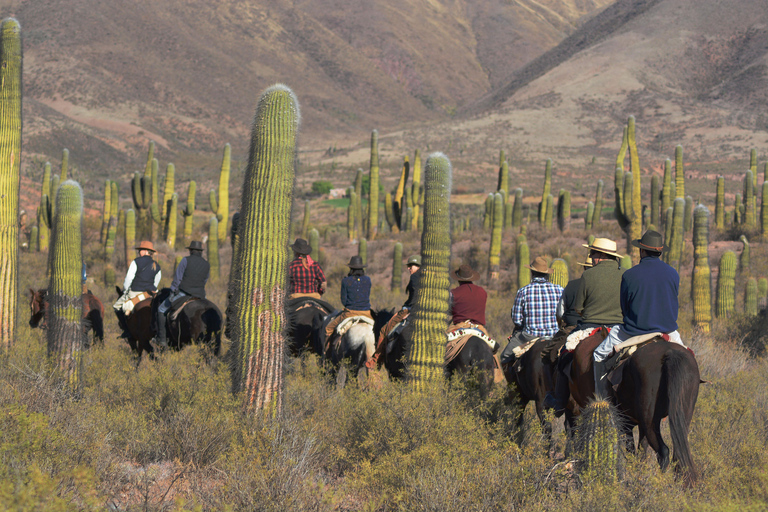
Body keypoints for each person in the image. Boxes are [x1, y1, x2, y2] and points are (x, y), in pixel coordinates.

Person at [593, 230, 684, 397]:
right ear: (660, 252)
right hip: (667, 330)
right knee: (688, 358)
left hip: (633, 331)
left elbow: (624, 308)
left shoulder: (629, 275)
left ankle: (600, 399)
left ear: (642, 250)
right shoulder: (673, 274)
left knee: (598, 355)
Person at [500, 256, 564, 365]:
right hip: (554, 335)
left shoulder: (523, 291)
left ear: (532, 273)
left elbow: (517, 320)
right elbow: (563, 314)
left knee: (505, 356)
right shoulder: (559, 289)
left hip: (529, 335)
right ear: (546, 274)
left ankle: (512, 382)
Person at [366, 254, 421, 368]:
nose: (409, 268)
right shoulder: (429, 277)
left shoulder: (415, 277)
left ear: (418, 266)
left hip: (412, 309)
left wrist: (411, 311)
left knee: (384, 329)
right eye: (409, 266)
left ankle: (376, 359)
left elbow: (416, 295)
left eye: (411, 266)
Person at [156, 241, 210, 349]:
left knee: (161, 310)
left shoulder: (185, 260)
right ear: (200, 252)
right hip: (200, 296)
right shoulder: (207, 264)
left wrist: (173, 291)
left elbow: (177, 279)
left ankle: (161, 339)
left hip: (184, 293)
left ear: (190, 250)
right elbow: (205, 280)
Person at [573, 238, 625, 330]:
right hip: (618, 328)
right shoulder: (625, 274)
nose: (590, 256)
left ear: (603, 255)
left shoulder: (587, 274)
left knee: (568, 343)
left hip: (589, 326)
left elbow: (578, 308)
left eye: (592, 253)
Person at [113, 241, 161, 339]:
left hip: (135, 291)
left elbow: (128, 279)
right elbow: (156, 282)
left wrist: (126, 290)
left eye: (141, 250)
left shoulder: (136, 262)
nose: (139, 252)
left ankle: (126, 331)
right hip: (150, 294)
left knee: (116, 306)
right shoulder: (157, 265)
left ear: (146, 251)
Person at [323, 256, 373, 349]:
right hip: (367, 313)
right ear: (362, 268)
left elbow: (343, 299)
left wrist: (350, 305)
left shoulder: (346, 281)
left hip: (349, 313)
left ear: (351, 268)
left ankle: (326, 354)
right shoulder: (367, 280)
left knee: (328, 328)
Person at [556, 256, 593, 332]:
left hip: (571, 327)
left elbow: (560, 312)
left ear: (584, 268)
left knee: (552, 343)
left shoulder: (570, 285)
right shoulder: (599, 286)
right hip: (592, 327)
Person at [448, 264, 488, 333]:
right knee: (492, 343)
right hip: (479, 328)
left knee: (441, 341)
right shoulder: (482, 291)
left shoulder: (454, 293)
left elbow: (449, 310)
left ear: (458, 279)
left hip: (459, 326)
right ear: (472, 278)